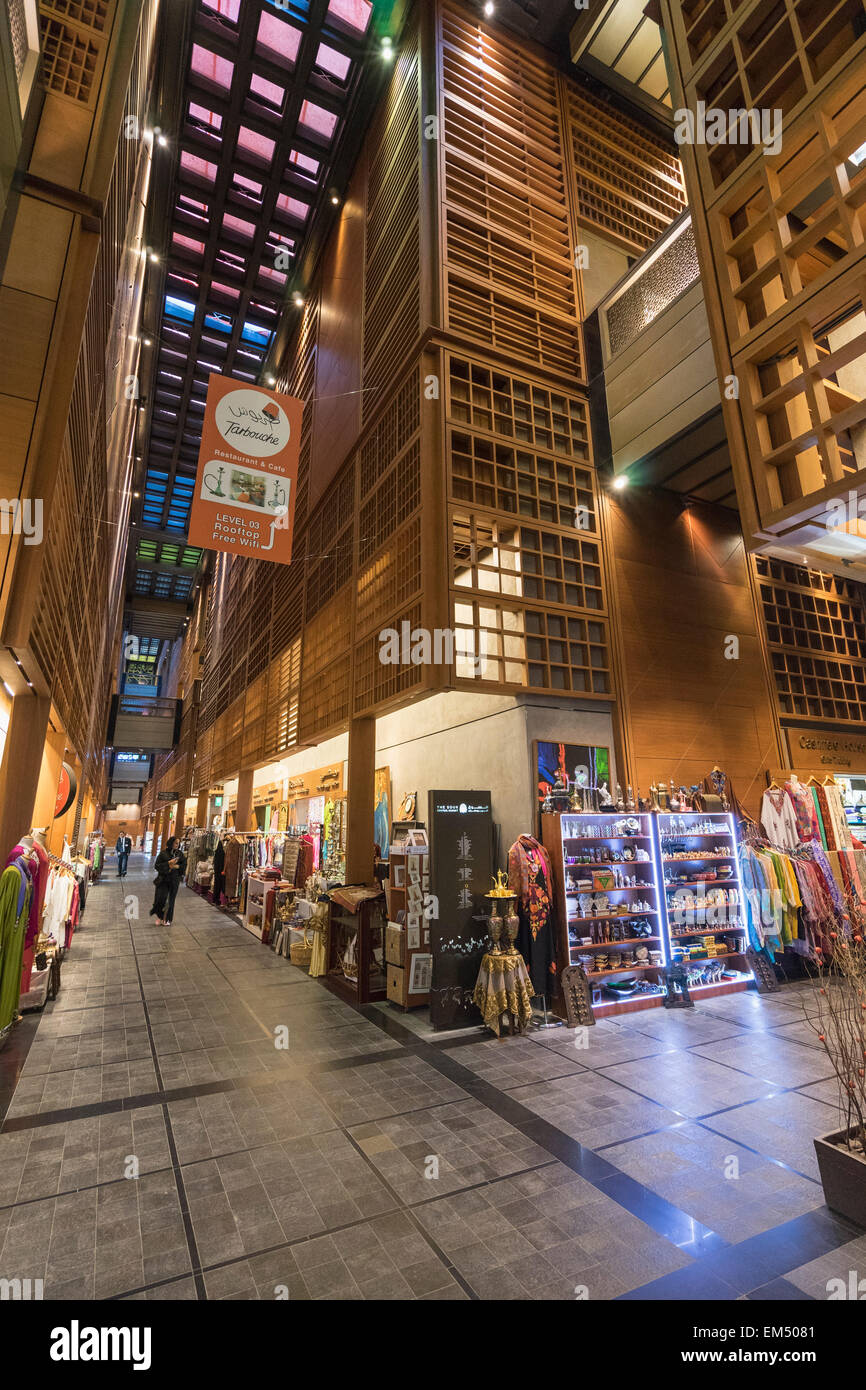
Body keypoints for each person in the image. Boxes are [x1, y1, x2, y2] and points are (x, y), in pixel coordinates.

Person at [150, 836, 186, 925]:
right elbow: (157, 866)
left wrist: (177, 866)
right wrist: (168, 864)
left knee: (171, 900)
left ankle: (167, 919)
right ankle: (160, 916)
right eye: (175, 843)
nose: (177, 845)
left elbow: (184, 866)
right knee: (161, 899)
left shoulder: (180, 854)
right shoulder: (163, 854)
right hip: (163, 880)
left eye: (178, 843)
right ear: (171, 843)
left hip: (174, 880)